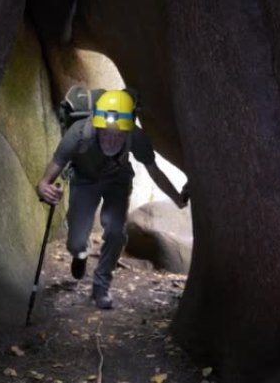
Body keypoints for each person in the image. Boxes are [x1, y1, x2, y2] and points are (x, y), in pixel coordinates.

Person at [36, 89, 188, 309]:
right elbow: (47, 178)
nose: (111, 138)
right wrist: (43, 188)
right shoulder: (78, 134)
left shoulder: (135, 136)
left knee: (116, 232)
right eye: (106, 132)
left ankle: (101, 287)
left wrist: (177, 199)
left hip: (117, 180)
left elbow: (155, 172)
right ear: (97, 126)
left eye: (118, 134)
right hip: (85, 180)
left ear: (127, 131)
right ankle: (80, 254)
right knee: (76, 241)